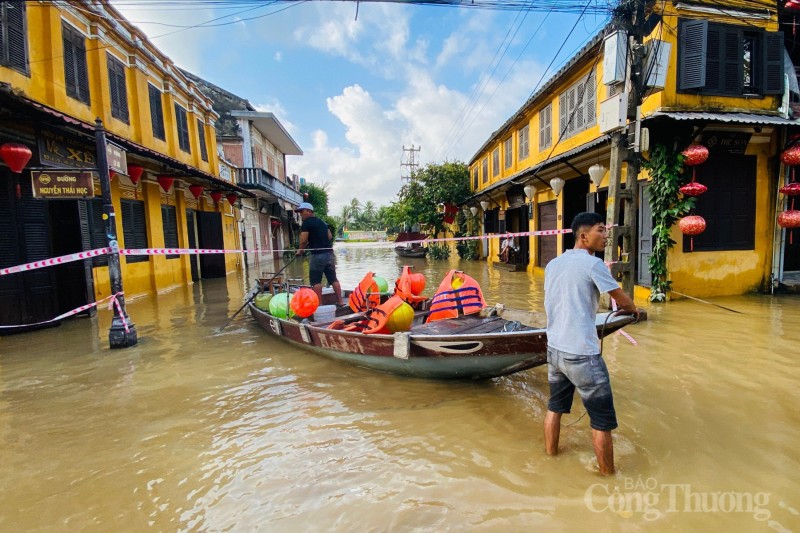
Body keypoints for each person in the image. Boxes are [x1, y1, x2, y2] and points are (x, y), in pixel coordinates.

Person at [543, 212, 640, 476]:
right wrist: (634, 309)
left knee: (555, 407)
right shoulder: (593, 264)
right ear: (584, 236)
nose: (606, 236)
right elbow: (618, 296)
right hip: (582, 355)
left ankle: (550, 457)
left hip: (555, 350)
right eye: (601, 230)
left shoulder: (553, 264)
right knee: (602, 421)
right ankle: (608, 477)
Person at [294, 202, 344, 306]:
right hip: (329, 254)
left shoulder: (306, 223)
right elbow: (329, 236)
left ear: (308, 211)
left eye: (301, 212)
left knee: (316, 281)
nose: (300, 215)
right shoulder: (322, 222)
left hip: (317, 256)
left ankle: (319, 304)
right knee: (333, 278)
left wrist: (301, 250)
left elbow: (303, 240)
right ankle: (340, 301)